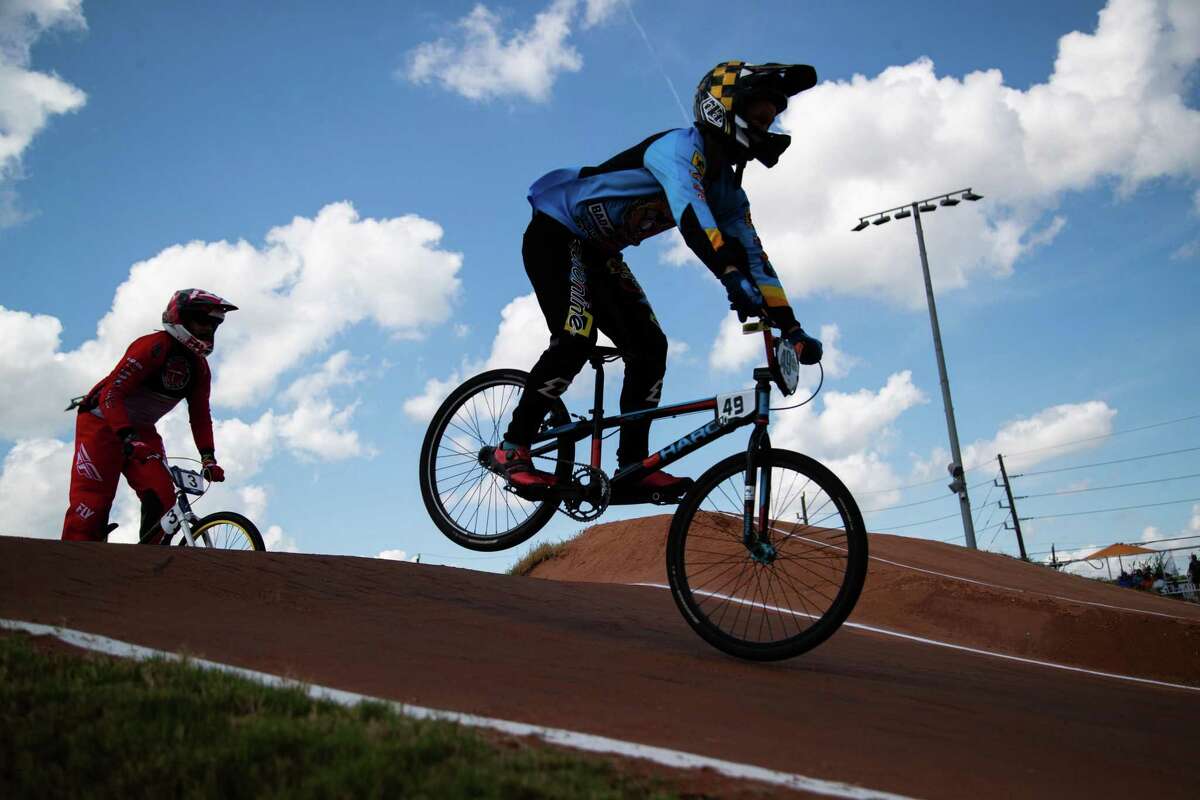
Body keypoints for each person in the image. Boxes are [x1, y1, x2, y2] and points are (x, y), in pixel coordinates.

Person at [489, 61, 824, 500]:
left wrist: (792, 327)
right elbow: (693, 219)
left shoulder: (729, 193)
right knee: (576, 336)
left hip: (599, 253)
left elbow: (756, 261)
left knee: (650, 348)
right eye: (758, 118)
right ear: (723, 108)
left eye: (769, 122)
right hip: (557, 230)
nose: (765, 129)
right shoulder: (678, 149)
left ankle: (632, 465)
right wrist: (728, 275)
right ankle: (513, 446)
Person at [61, 289, 236, 543]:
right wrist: (126, 436)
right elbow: (110, 394)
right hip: (101, 423)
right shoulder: (153, 346)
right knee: (91, 506)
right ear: (181, 319)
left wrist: (208, 458)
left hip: (142, 430)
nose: (208, 330)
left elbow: (200, 415)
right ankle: (71, 559)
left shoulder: (200, 368)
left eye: (213, 325)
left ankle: (149, 561)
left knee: (164, 499)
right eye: (202, 321)